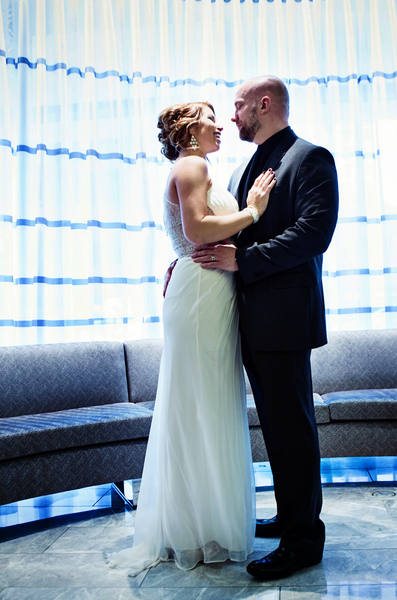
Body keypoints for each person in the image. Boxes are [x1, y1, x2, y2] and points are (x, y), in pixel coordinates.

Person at [105, 101, 276, 576]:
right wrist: (253, 212)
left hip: (207, 289)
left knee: (207, 403)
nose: (220, 124)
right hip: (201, 294)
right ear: (187, 128)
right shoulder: (192, 163)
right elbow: (197, 228)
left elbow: (193, 236)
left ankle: (203, 524)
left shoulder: (199, 168)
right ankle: (197, 529)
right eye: (209, 116)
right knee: (200, 404)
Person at [191, 76, 340, 580]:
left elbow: (313, 234)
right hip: (250, 320)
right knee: (276, 427)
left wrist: (244, 262)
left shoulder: (310, 158)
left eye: (237, 107)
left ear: (264, 103)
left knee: (292, 428)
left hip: (285, 318)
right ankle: (289, 516)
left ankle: (304, 541)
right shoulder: (241, 168)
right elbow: (231, 228)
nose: (231, 117)